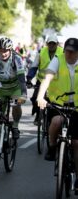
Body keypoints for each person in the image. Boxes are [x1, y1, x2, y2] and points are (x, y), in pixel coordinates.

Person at [37, 38, 78, 168]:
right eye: (67, 51)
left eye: (72, 52)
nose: (68, 54)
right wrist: (40, 97)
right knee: (56, 121)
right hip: (58, 103)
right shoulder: (57, 60)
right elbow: (47, 78)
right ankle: (53, 146)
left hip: (76, 106)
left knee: (77, 143)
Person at [27, 34, 63, 124]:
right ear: (47, 44)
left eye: (53, 44)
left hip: (56, 82)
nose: (51, 45)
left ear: (57, 44)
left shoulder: (62, 53)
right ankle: (38, 114)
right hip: (42, 80)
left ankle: (53, 117)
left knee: (55, 102)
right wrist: (29, 78)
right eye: (50, 43)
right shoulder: (41, 52)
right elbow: (34, 66)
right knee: (35, 98)